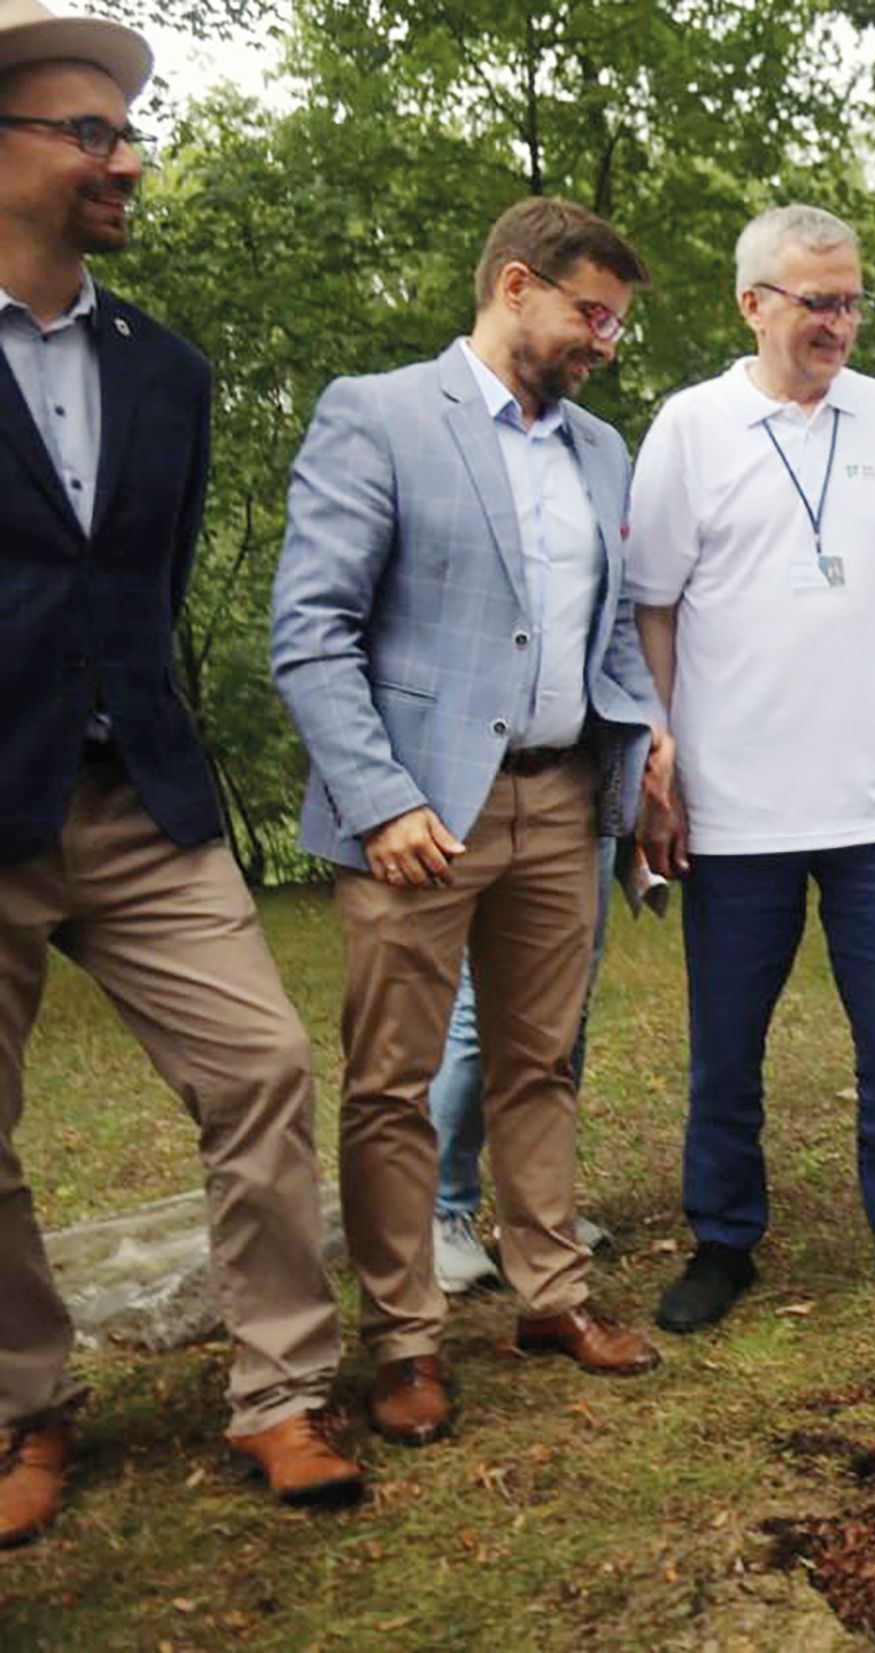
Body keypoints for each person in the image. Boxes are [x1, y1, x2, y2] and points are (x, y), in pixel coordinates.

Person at [0, 1, 362, 1539]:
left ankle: (281, 1391)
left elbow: (140, 585)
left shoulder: (170, 369)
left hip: (141, 796)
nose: (127, 162)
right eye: (89, 133)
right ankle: (24, 1408)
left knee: (262, 1067)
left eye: (129, 133)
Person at [272, 196, 669, 1448]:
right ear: (514, 286)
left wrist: (644, 739)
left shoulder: (601, 450)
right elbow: (313, 631)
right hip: (419, 817)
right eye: (591, 314)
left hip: (563, 804)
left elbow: (612, 631)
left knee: (539, 1063)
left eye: (615, 322)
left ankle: (552, 1296)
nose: (605, 341)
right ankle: (404, 1341)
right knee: (391, 1086)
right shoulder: (379, 414)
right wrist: (380, 798)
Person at [625, 204, 875, 1329]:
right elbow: (652, 609)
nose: (838, 323)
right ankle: (723, 1240)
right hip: (735, 805)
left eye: (850, 302)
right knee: (726, 1049)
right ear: (752, 304)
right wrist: (658, 761)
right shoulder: (690, 427)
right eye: (816, 302)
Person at [427, 837, 616, 1295]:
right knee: (483, 1004)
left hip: (584, 811)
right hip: (494, 811)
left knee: (568, 1003)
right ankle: (441, 1212)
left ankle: (538, 1212)